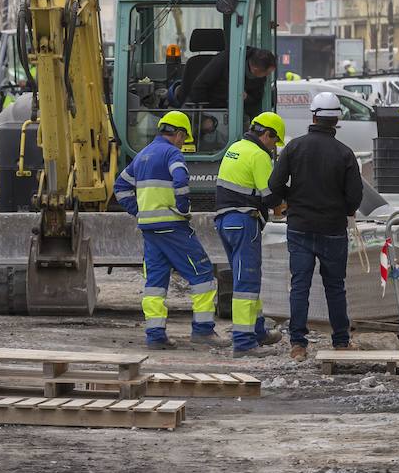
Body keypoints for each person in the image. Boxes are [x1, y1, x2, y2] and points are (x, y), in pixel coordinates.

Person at [113, 110, 223, 349]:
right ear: (179, 133)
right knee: (202, 272)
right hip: (173, 227)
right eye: (184, 138)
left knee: (155, 282)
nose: (183, 144)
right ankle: (203, 330)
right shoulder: (172, 153)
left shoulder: (142, 155)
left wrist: (137, 211)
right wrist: (183, 208)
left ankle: (155, 335)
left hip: (150, 229)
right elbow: (181, 180)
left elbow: (120, 187)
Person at [268, 91, 364, 362]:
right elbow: (354, 196)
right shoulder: (344, 154)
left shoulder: (294, 147)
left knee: (300, 285)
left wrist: (291, 199)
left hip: (300, 226)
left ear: (313, 116)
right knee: (335, 286)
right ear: (336, 120)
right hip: (333, 229)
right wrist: (343, 209)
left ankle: (298, 344)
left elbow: (275, 185)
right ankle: (341, 341)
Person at [215, 110, 287, 358]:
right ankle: (244, 342)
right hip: (244, 221)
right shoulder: (258, 155)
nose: (274, 148)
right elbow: (269, 197)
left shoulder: (235, 148)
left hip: (225, 220)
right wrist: (285, 199)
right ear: (267, 134)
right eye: (274, 142)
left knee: (244, 278)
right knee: (247, 282)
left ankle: (257, 331)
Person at [186, 47, 275, 124]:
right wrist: (204, 118)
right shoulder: (225, 60)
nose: (267, 76)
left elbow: (257, 98)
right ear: (255, 69)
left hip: (237, 115)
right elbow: (199, 86)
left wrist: (247, 98)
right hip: (211, 109)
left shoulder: (260, 75)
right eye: (267, 73)